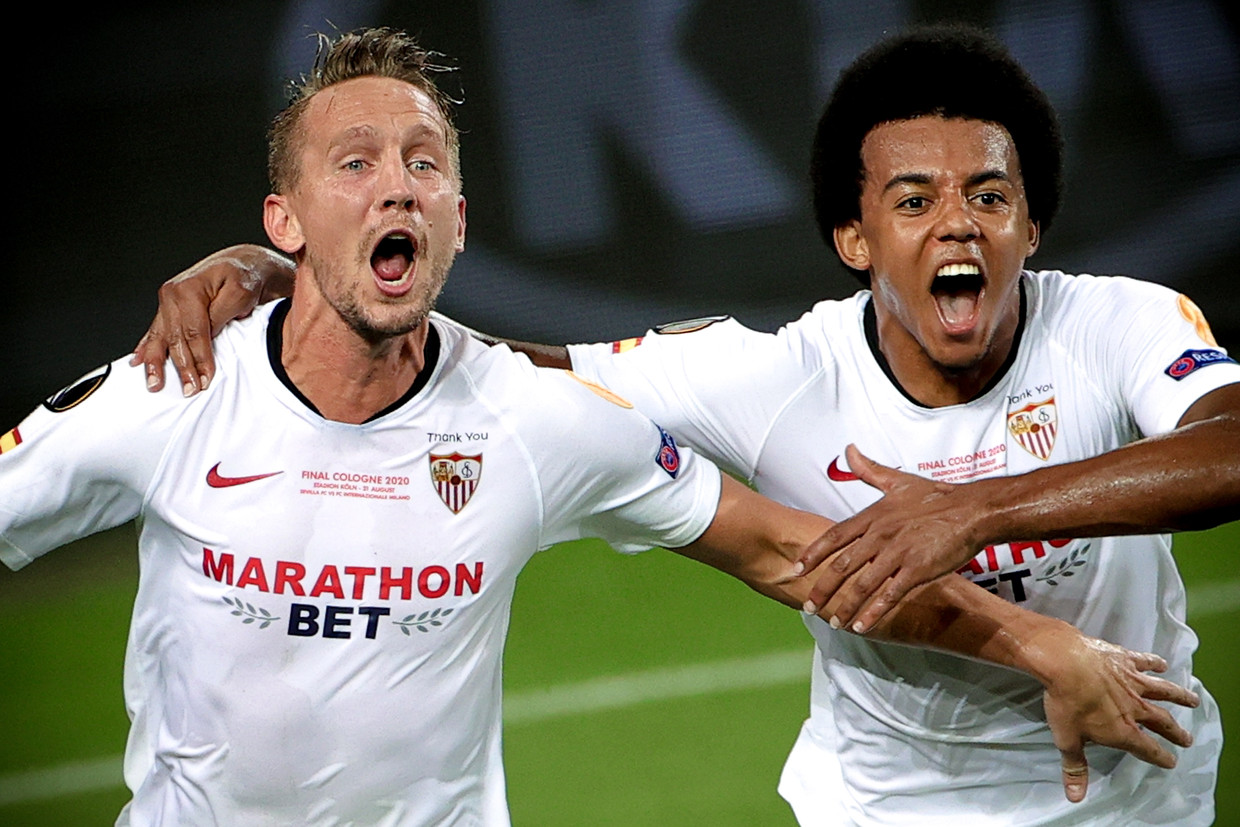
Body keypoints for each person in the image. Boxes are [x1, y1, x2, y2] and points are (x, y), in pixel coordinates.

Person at [126, 25, 1237, 826]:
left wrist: (971, 512)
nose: (959, 223)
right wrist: (290, 274)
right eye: (914, 201)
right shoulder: (770, 375)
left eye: (989, 196)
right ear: (853, 239)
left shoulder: (1117, 324)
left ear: (1031, 224)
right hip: (890, 803)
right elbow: (507, 370)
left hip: (1136, 786)